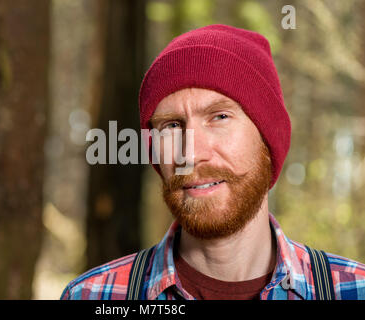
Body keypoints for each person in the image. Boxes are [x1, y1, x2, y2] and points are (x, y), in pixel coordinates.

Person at [61, 24, 365, 300]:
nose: (191, 154)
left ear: (267, 138)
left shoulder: (352, 290)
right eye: (171, 126)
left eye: (219, 117)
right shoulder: (94, 296)